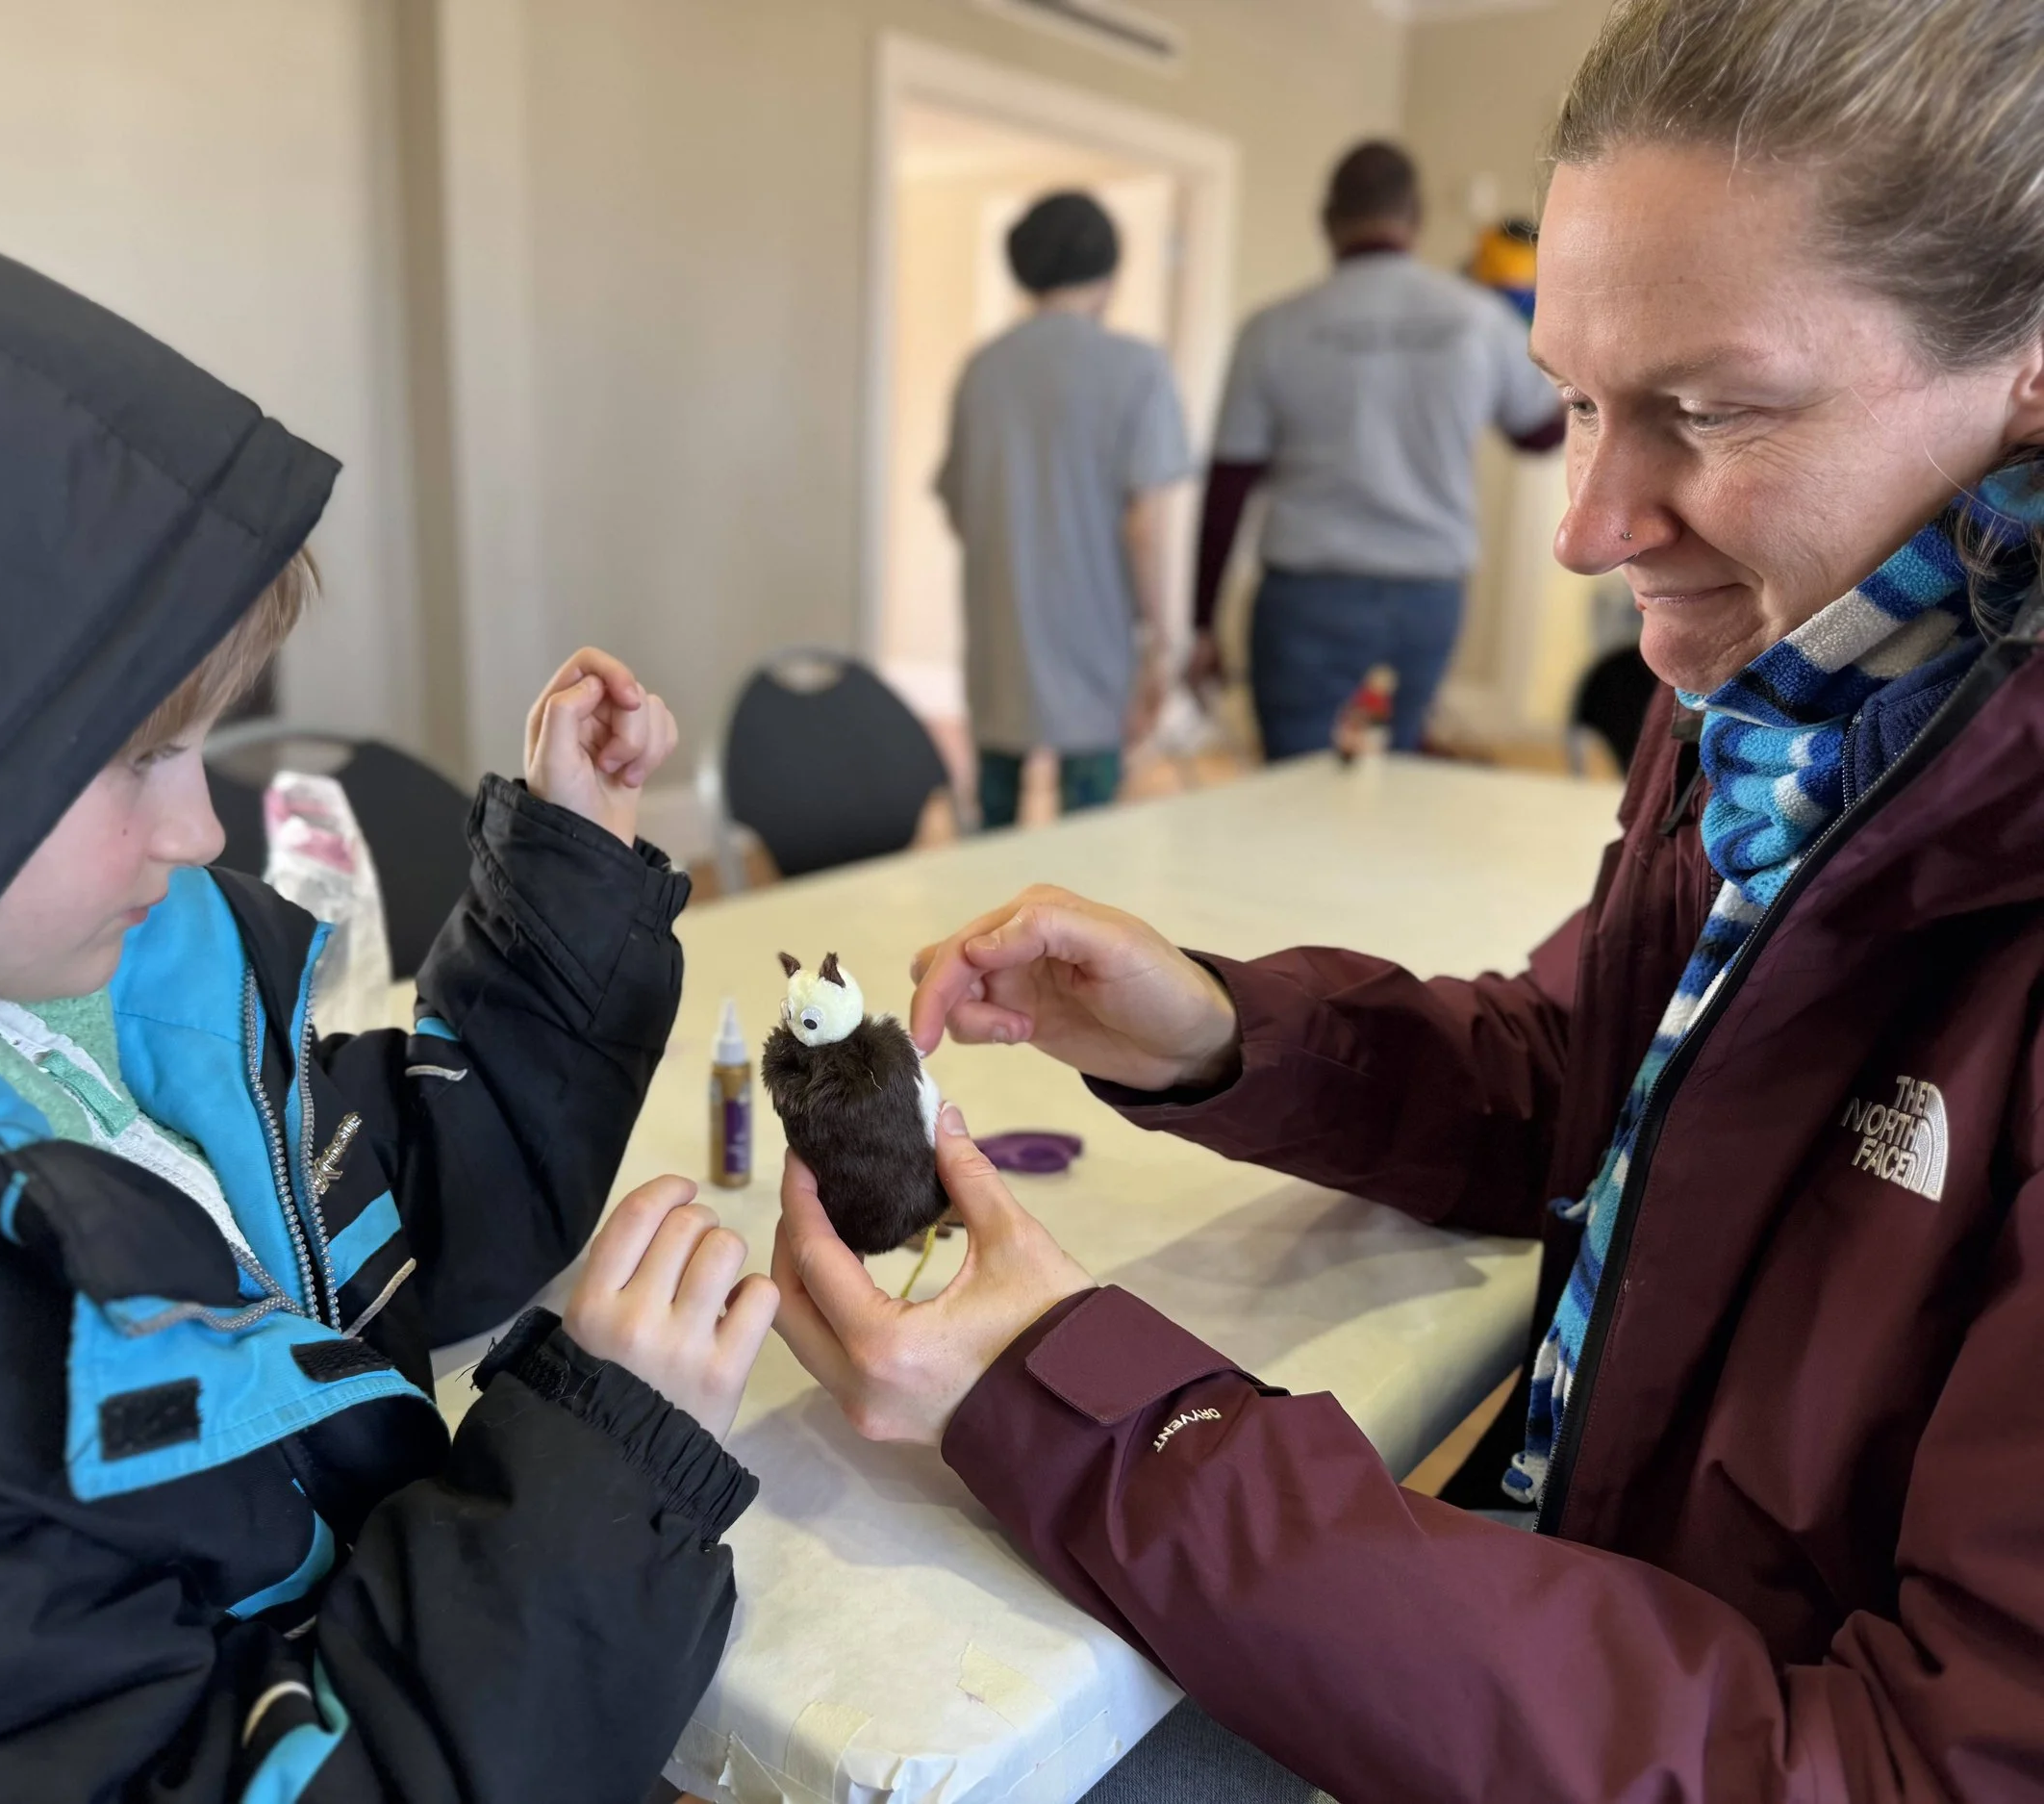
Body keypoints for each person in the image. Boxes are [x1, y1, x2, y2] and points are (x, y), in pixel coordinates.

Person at [772, 0, 2044, 1794]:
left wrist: (1091, 1415)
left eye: (1708, 412)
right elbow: (1606, 1079)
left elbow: (1921, 1762)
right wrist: (1225, 1035)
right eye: (1577, 402)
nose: (1583, 529)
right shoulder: (1796, 698)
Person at [0, 213, 778, 1801]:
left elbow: (405, 1202)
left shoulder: (67, 1006)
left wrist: (568, 874)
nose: (200, 828)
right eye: (137, 760)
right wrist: (596, 1478)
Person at [1189, 141, 1566, 761]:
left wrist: (1200, 622)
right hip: (1425, 598)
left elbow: (1227, 490)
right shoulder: (1478, 320)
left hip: (1305, 601)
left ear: (1327, 221)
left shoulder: (1271, 331)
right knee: (1395, 778)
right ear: (1415, 218)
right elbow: (1541, 436)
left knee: (1293, 783)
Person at [936, 190, 1191, 829]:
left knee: (994, 823)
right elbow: (1144, 526)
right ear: (1110, 270)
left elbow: (961, 511)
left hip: (1000, 636)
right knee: (1088, 835)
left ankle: (988, 902)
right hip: (1094, 641)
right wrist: (1160, 644)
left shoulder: (983, 370)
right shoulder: (1137, 369)